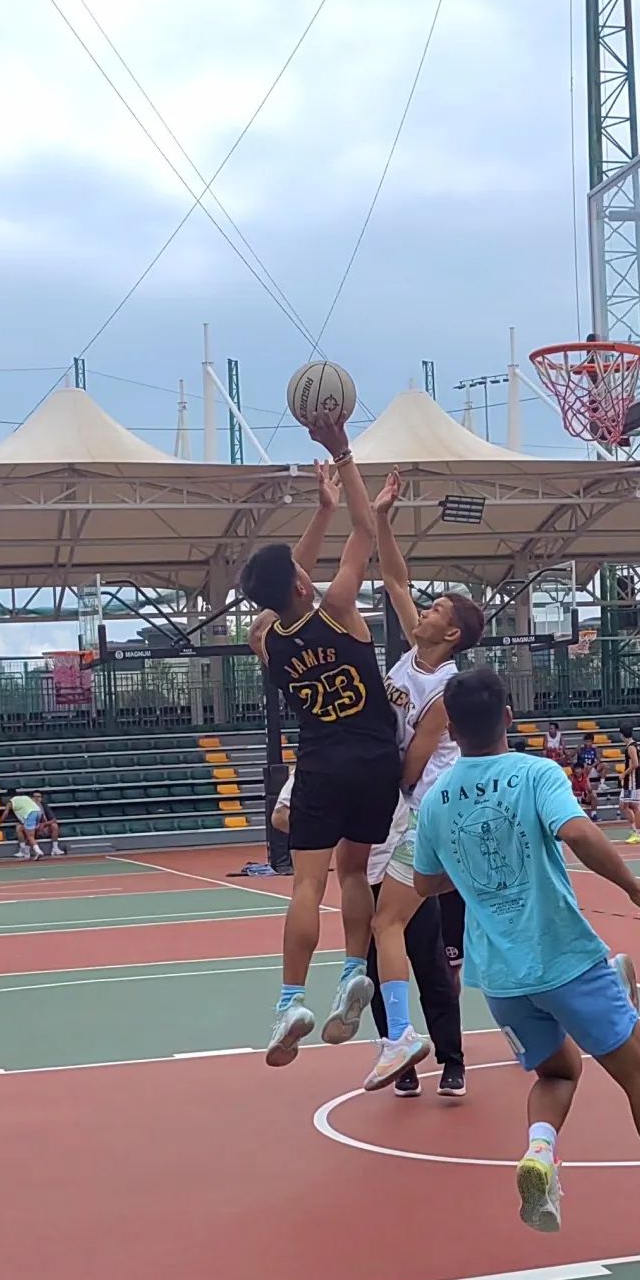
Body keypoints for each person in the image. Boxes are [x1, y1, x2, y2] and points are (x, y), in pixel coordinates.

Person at [412, 666, 640, 1239]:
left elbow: (425, 883)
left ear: (451, 729)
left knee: (558, 1071)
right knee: (639, 1074)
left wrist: (470, 873)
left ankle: (540, 1153)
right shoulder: (535, 773)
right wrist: (635, 889)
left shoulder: (436, 799)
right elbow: (579, 832)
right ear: (507, 717)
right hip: (563, 956)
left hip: (501, 978)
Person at [243, 415, 401, 1067]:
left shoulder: (266, 640)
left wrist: (319, 513)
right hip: (377, 761)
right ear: (302, 583)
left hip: (320, 763)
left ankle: (290, 1001)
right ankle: (353, 971)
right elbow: (366, 531)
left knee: (307, 883)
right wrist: (342, 457)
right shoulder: (339, 608)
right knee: (355, 870)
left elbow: (279, 586)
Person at [362, 466, 486, 1090]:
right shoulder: (413, 654)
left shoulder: (444, 688)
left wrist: (365, 771)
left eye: (435, 608)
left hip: (425, 810)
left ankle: (430, 1050)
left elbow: (413, 764)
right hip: (400, 810)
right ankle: (405, 1048)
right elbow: (394, 577)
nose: (424, 609)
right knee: (386, 934)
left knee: (397, 931)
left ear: (452, 632)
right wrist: (382, 517)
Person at [272, 773, 465, 1095]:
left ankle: (452, 1061)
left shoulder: (380, 756)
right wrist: (331, 827)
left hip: (402, 870)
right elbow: (281, 816)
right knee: (372, 977)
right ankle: (401, 1062)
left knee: (431, 969)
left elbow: (417, 772)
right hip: (368, 882)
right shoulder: (316, 767)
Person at [618, 723, 640, 843]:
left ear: (621, 735)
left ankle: (638, 832)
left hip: (632, 781)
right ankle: (635, 828)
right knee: (623, 805)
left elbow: (636, 764)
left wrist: (624, 774)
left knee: (635, 806)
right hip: (630, 781)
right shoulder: (634, 745)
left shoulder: (631, 747)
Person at [0, 789, 45, 859]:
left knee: (30, 836)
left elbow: (5, 814)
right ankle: (26, 853)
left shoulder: (11, 801)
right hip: (38, 812)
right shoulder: (26, 797)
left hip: (30, 814)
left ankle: (38, 851)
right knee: (29, 834)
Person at [31, 790, 64, 857]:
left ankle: (55, 848)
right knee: (21, 827)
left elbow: (53, 819)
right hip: (32, 828)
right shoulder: (28, 807)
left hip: (44, 828)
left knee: (54, 825)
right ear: (31, 798)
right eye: (34, 797)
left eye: (38, 797)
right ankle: (24, 850)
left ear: (41, 798)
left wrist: (44, 824)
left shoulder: (44, 805)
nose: (37, 798)